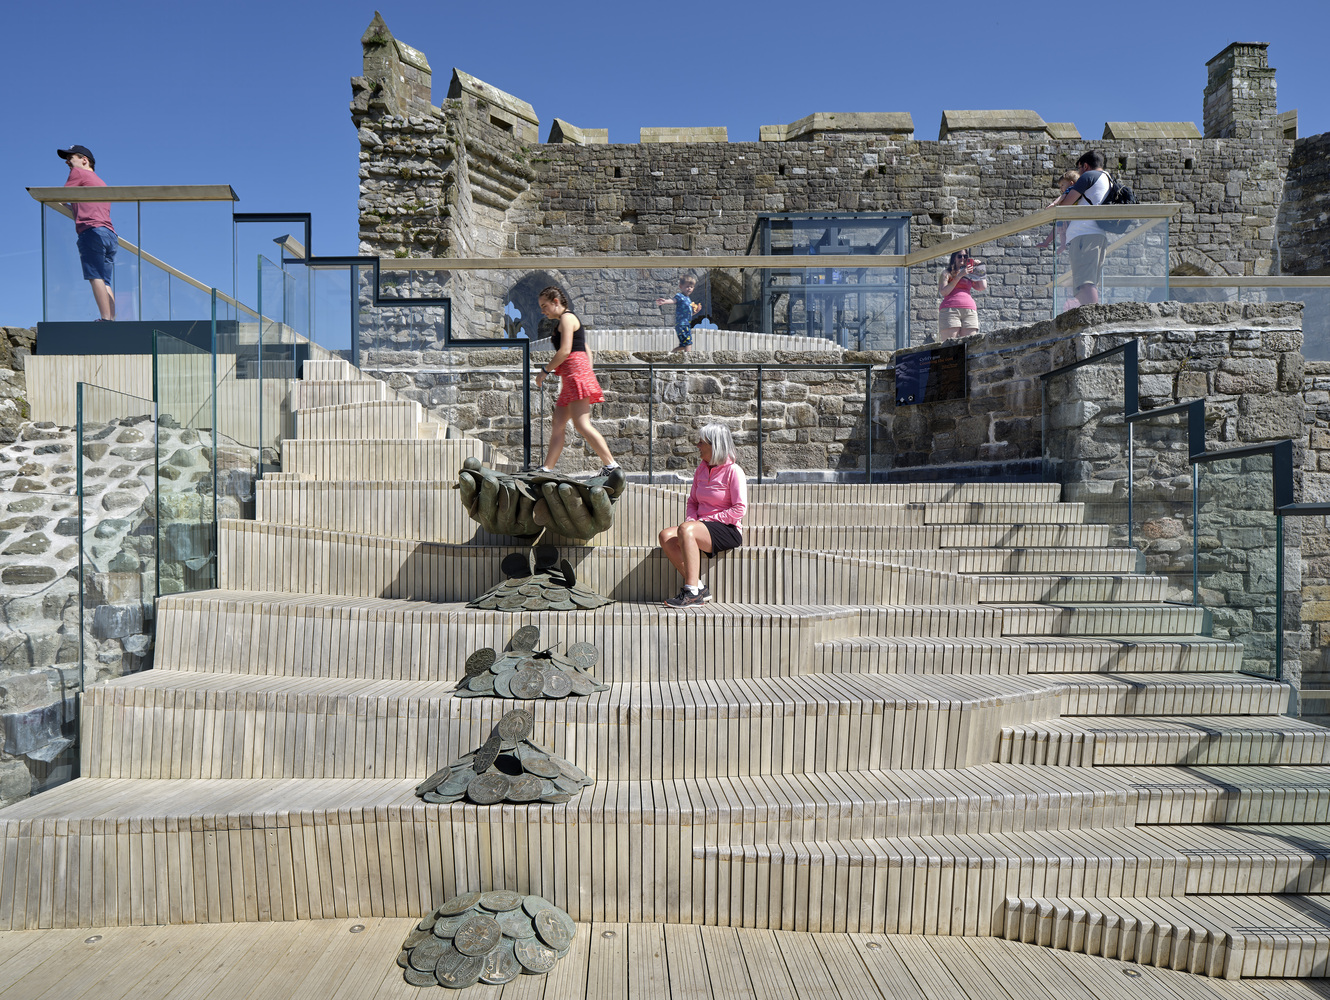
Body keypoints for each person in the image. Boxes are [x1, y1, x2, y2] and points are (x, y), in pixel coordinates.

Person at [533, 286, 621, 476]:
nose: (542, 311)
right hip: (572, 376)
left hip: (575, 375)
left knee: (582, 424)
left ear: (556, 302)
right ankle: (547, 468)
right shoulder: (566, 320)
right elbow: (586, 347)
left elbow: (565, 351)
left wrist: (544, 371)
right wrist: (586, 371)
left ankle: (611, 465)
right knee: (558, 423)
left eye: (544, 305)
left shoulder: (567, 318)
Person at [658, 423, 747, 609]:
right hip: (700, 526)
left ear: (715, 445)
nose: (697, 446)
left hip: (727, 529)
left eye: (701, 442)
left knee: (686, 529)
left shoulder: (734, 472)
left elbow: (739, 509)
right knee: (666, 536)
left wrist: (705, 522)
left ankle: (691, 593)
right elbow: (692, 502)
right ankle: (699, 587)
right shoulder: (700, 470)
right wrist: (692, 521)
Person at [58, 145, 116, 321]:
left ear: (84, 160)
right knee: (105, 280)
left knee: (95, 276)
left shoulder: (78, 173)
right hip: (110, 234)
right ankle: (112, 319)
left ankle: (105, 320)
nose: (68, 162)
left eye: (71, 158)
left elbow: (61, 196)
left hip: (91, 232)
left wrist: (58, 204)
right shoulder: (99, 181)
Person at [1050, 150, 1112, 310]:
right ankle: (1088, 313)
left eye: (1078, 169)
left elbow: (1065, 206)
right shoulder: (1108, 179)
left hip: (1085, 235)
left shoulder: (1088, 176)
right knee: (1085, 282)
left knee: (1085, 284)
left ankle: (1091, 317)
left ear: (1084, 166)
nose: (1077, 174)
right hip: (1092, 235)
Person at [936, 251, 986, 340]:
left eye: (965, 256)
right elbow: (944, 292)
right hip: (950, 310)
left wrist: (980, 268)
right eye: (959, 256)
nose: (962, 258)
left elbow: (982, 287)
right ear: (954, 258)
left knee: (970, 345)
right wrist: (960, 275)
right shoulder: (946, 273)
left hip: (969, 310)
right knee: (950, 345)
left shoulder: (970, 274)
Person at [1035, 170, 1081, 254]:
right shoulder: (1077, 191)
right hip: (1069, 215)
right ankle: (1061, 244)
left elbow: (1062, 197)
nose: (1061, 188)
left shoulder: (1071, 189)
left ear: (1071, 183)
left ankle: (1053, 243)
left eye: (1062, 185)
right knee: (1060, 229)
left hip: (1068, 215)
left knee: (1059, 229)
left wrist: (1053, 203)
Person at [655, 275, 701, 352]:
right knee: (688, 343)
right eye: (687, 286)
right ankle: (688, 360)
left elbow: (688, 314)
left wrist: (695, 312)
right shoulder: (680, 296)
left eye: (691, 287)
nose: (689, 288)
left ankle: (670, 354)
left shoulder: (688, 299)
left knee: (683, 345)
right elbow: (673, 300)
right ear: (681, 286)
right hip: (682, 325)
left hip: (686, 324)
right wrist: (665, 301)